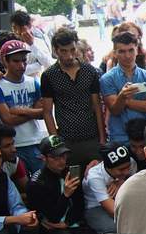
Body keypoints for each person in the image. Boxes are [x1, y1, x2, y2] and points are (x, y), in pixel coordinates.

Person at [26, 135, 110, 234]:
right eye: (56, 157)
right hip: (52, 228)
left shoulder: (71, 172)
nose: (61, 161)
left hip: (72, 223)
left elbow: (80, 204)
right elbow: (52, 217)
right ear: (44, 158)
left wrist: (69, 221)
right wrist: (65, 195)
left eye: (64, 156)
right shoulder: (37, 183)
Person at [41, 28, 106, 166]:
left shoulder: (90, 71)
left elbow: (97, 106)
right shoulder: (49, 75)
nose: (69, 56)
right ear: (56, 50)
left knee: (95, 179)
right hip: (66, 140)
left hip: (91, 136)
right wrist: (56, 143)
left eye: (72, 50)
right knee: (72, 181)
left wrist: (102, 138)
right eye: (64, 51)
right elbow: (47, 112)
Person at [0, 40, 48, 175]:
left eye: (24, 61)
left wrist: (21, 110)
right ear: (5, 61)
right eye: (16, 61)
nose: (21, 66)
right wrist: (33, 111)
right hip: (13, 145)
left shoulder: (33, 82)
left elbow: (44, 112)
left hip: (36, 140)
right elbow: (7, 119)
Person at [100, 32, 146, 146]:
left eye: (130, 50)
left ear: (137, 50)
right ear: (115, 53)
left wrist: (125, 101)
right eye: (122, 51)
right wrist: (122, 97)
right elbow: (115, 110)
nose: (127, 55)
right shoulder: (107, 79)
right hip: (120, 137)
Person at [82, 143, 135, 234]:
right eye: (121, 169)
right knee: (115, 228)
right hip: (95, 206)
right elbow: (113, 210)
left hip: (119, 198)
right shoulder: (94, 177)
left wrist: (121, 181)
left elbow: (135, 184)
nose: (126, 171)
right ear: (107, 167)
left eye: (128, 167)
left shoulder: (131, 162)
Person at [10, 10, 54, 78]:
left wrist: (32, 45)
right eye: (14, 28)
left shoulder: (39, 42)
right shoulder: (11, 44)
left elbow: (49, 64)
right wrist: (38, 66)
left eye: (19, 27)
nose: (16, 32)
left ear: (29, 25)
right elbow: (12, 70)